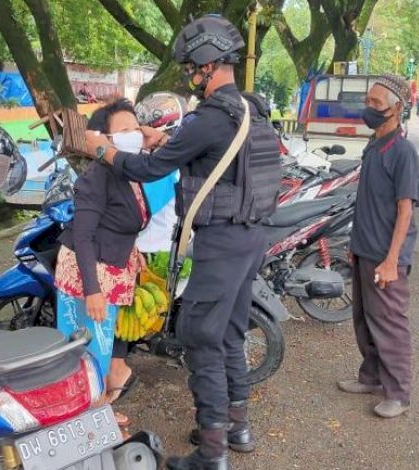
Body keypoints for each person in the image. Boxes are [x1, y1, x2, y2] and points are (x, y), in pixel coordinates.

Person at [75, 14, 282, 470]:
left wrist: (102, 149)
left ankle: (212, 454)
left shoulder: (209, 117)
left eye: (192, 66)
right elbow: (214, 156)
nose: (190, 74)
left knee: (202, 339)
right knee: (229, 332)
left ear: (208, 64)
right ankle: (236, 425)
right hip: (251, 239)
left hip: (221, 241)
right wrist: (165, 138)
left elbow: (147, 169)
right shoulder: (249, 108)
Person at [53, 98, 150, 427]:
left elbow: (120, 221)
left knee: (102, 347)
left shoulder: (127, 170)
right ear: (103, 139)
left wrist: (133, 254)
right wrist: (92, 290)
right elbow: (83, 236)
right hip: (87, 274)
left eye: (136, 127)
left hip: (112, 268)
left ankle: (94, 411)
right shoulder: (97, 176)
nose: (135, 134)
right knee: (84, 352)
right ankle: (84, 419)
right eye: (125, 130)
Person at [338, 73, 419, 419]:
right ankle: (371, 377)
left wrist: (390, 261)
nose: (368, 108)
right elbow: (368, 199)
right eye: (368, 101)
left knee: (389, 324)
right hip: (365, 249)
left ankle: (398, 393)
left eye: (376, 103)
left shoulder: (402, 152)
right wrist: (355, 244)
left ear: (396, 108)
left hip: (387, 257)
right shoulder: (374, 144)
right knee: (364, 320)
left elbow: (405, 210)